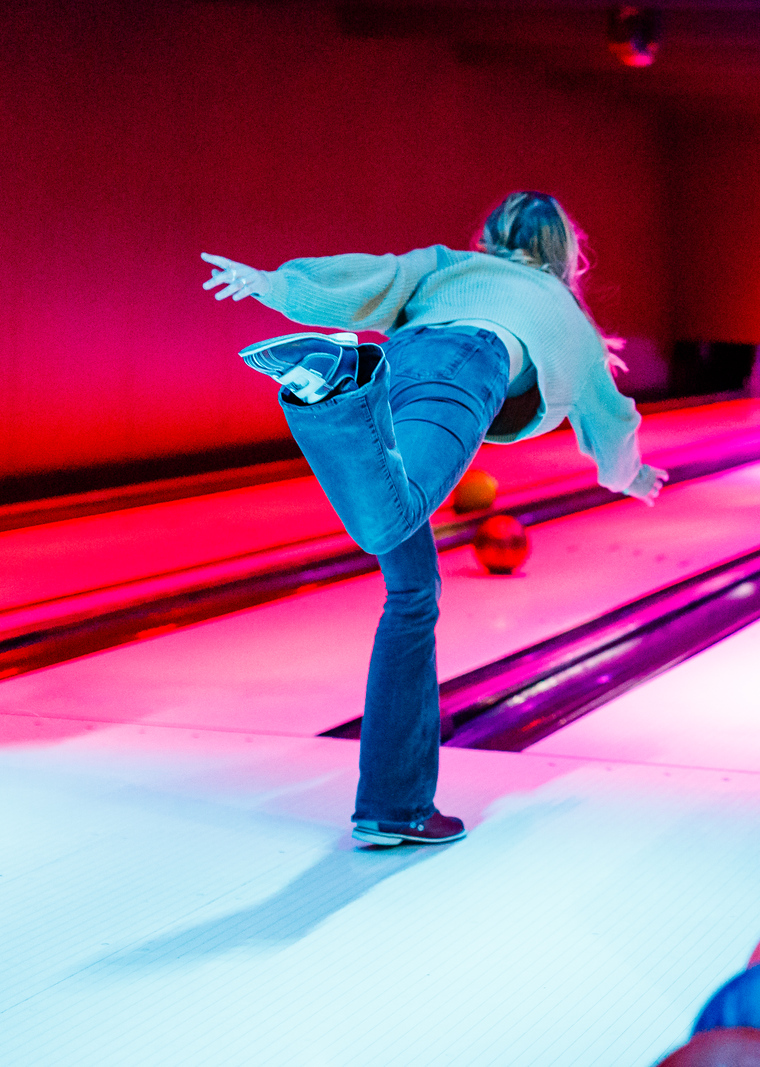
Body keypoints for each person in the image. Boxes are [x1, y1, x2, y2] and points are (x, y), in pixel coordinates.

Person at [201, 191, 667, 847]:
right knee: (393, 515)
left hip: (402, 360)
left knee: (413, 592)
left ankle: (396, 804)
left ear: (492, 234)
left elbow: (371, 276)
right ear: (565, 250)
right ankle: (335, 388)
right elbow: (608, 414)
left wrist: (274, 284)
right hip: (464, 366)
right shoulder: (563, 312)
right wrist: (628, 474)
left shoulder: (449, 263)